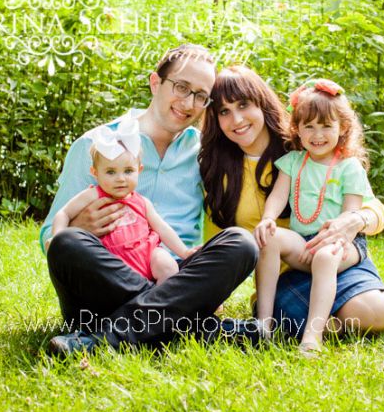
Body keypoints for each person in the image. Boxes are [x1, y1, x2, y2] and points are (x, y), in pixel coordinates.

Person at [199, 66, 384, 348]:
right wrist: (210, 297)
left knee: (370, 314)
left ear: (262, 104)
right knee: (310, 323)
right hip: (284, 274)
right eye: (224, 111)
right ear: (214, 118)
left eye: (243, 105)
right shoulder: (219, 169)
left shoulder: (304, 145)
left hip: (335, 255)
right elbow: (218, 243)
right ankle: (340, 321)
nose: (236, 119)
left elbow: (375, 209)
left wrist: (355, 220)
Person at [42, 45, 260, 356]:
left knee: (242, 244)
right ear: (155, 82)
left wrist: (355, 215)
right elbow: (51, 237)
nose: (189, 103)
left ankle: (100, 338)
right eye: (181, 87)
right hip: (105, 284)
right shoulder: (97, 145)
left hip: (172, 273)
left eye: (201, 95)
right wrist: (77, 227)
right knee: (68, 243)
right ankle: (199, 326)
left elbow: (263, 158)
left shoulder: (204, 152)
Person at [253, 78, 377, 354]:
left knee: (324, 257)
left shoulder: (349, 167)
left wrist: (336, 239)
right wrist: (268, 219)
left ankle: (313, 335)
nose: (316, 134)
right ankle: (263, 323)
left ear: (343, 128)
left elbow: (352, 215)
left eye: (326, 126)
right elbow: (277, 195)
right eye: (308, 126)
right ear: (297, 129)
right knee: (269, 239)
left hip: (344, 243)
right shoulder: (294, 162)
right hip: (304, 240)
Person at [51, 118, 195, 284]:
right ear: (95, 172)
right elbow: (63, 213)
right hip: (113, 263)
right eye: (111, 172)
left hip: (147, 255)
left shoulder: (142, 202)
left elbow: (162, 228)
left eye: (128, 171)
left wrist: (184, 252)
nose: (120, 179)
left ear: (139, 170)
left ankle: (162, 301)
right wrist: (58, 238)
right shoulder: (93, 195)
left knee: (168, 266)